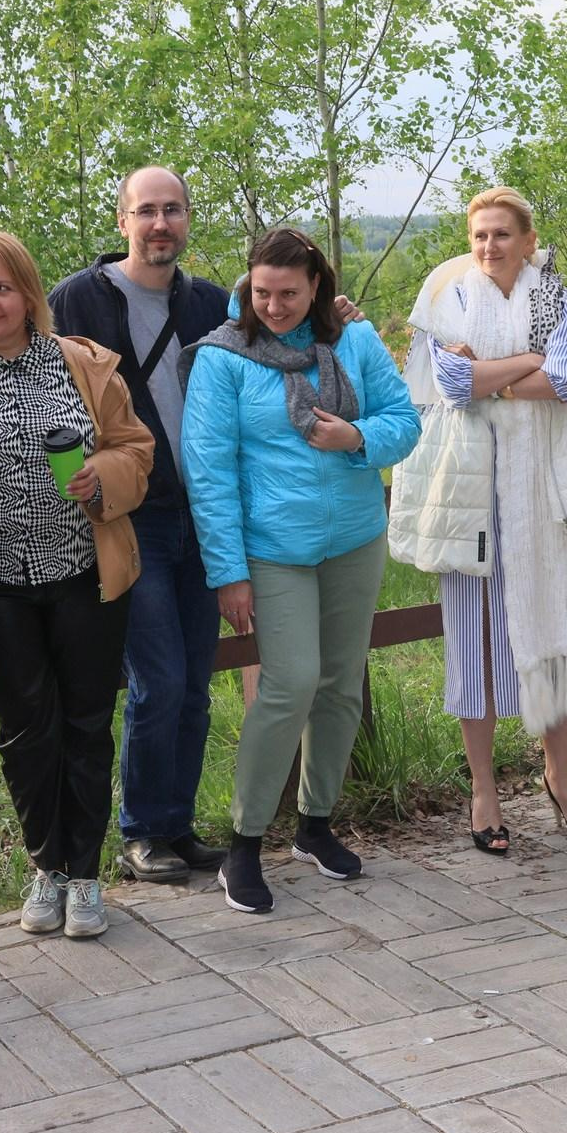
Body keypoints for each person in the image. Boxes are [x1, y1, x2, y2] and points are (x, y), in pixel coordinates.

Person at [0, 231, 155, 939]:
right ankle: (47, 867)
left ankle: (85, 877)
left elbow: (135, 450)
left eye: (2, 287)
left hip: (83, 574)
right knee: (26, 733)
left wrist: (99, 479)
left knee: (86, 724)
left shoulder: (80, 365)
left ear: (29, 294)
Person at [182, 227, 420, 914]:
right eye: (263, 292)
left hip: (352, 539)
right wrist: (228, 572)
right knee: (288, 685)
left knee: (341, 684)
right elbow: (208, 470)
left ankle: (315, 826)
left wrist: (358, 439)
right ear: (247, 288)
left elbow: (405, 420)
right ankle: (244, 843)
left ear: (316, 285)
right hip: (270, 548)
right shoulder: (224, 358)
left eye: (289, 293)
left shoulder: (354, 342)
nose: (276, 305)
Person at [392, 188, 567, 853]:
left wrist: (498, 371)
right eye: (480, 236)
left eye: (503, 234)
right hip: (472, 490)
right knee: (475, 644)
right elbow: (452, 387)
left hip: (543, 489)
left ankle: (560, 779)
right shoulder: (448, 300)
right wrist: (530, 362)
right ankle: (485, 792)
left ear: (528, 240)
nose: (490, 246)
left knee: (554, 632)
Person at [47, 168, 235, 884]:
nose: (161, 224)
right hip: (131, 518)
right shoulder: (77, 300)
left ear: (189, 219)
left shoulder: (212, 305)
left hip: (206, 516)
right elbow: (47, 396)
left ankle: (176, 826)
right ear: (122, 220)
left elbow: (279, 345)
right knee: (157, 679)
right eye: (147, 211)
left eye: (173, 211)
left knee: (194, 683)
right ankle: (140, 832)